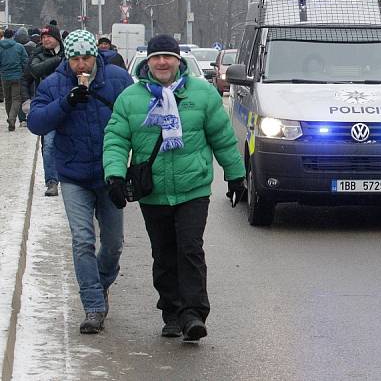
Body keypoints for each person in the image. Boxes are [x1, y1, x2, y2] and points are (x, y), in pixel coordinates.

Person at [103, 34, 245, 341]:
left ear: (178, 61)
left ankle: (193, 314)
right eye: (157, 57)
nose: (163, 62)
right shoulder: (131, 98)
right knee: (164, 253)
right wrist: (114, 175)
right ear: (148, 62)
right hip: (153, 191)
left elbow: (222, 137)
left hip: (192, 187)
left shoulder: (202, 94)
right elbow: (115, 140)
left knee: (190, 249)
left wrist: (236, 176)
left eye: (168, 57)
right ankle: (171, 311)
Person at [27, 30, 133, 334]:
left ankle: (99, 285)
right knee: (83, 240)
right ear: (67, 58)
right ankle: (93, 306)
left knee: (113, 244)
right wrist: (66, 102)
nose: (81, 65)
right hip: (73, 175)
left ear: (95, 56)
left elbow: (135, 118)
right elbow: (36, 123)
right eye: (75, 59)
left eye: (86, 58)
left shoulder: (116, 79)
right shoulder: (53, 84)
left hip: (109, 174)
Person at [25, 21, 65, 196]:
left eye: (49, 36)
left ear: (57, 38)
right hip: (47, 106)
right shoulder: (38, 54)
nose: (46, 39)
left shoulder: (68, 54)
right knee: (48, 145)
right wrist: (57, 60)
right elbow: (34, 70)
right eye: (44, 37)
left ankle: (69, 178)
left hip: (68, 104)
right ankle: (52, 182)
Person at [1, 28, 29, 131]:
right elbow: (25, 61)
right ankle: (12, 118)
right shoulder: (19, 47)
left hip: (4, 76)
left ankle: (11, 119)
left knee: (7, 99)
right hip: (17, 76)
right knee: (16, 99)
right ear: (13, 35)